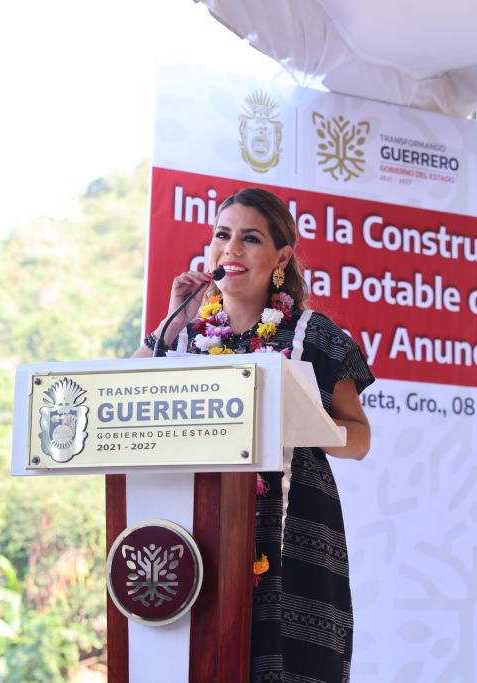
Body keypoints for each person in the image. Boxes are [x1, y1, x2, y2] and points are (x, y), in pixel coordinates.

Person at [134, 187, 373, 682]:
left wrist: (299, 415)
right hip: (198, 528)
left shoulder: (314, 335)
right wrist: (173, 315)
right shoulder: (186, 336)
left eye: (250, 238)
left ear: (280, 257)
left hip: (291, 526)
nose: (231, 250)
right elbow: (128, 397)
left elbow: (360, 439)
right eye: (222, 235)